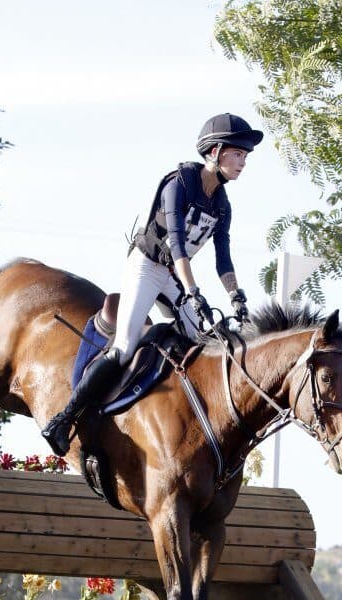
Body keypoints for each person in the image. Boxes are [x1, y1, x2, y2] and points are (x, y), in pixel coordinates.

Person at [42, 112, 264, 457]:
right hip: (146, 267)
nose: (243, 162)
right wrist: (193, 292)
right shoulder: (179, 184)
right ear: (215, 152)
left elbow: (223, 258)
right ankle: (64, 418)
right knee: (124, 346)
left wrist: (236, 296)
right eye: (237, 154)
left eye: (245, 156)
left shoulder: (222, 205)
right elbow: (176, 244)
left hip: (174, 275)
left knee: (202, 343)